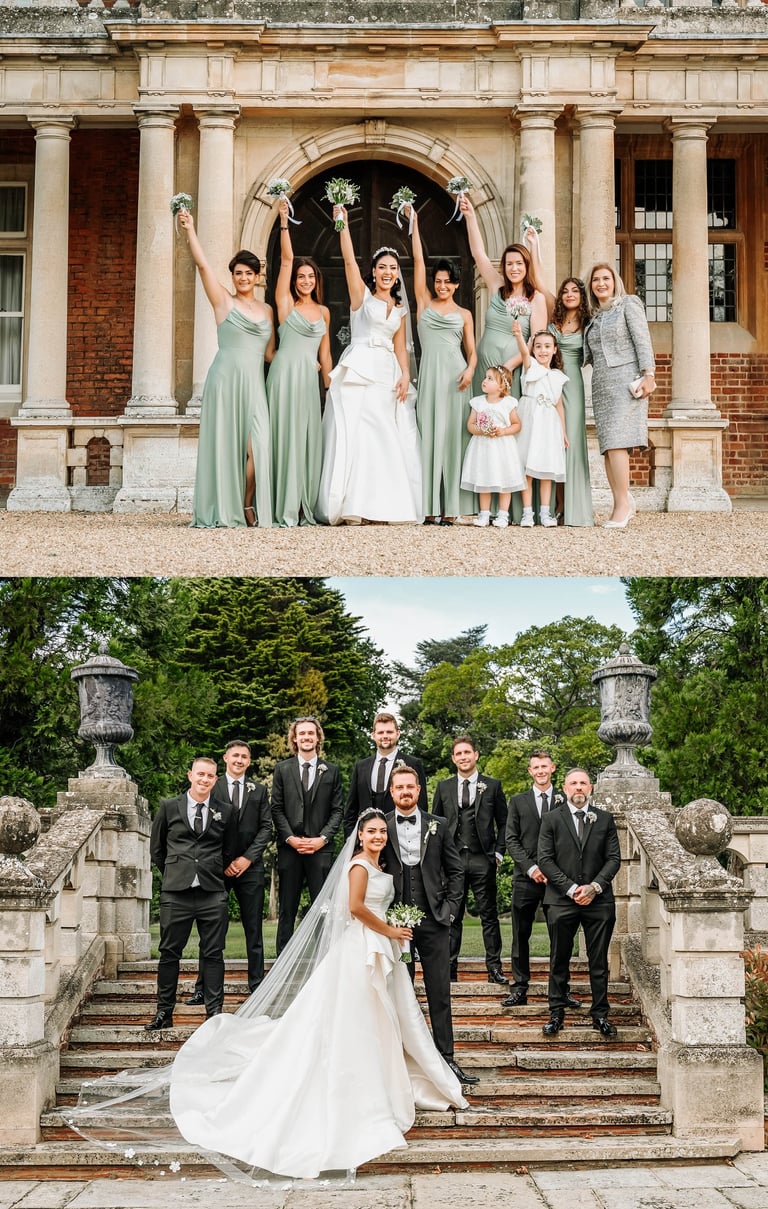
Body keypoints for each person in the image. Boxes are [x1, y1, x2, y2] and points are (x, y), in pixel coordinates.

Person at [70, 809, 468, 1179]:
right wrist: (392, 931)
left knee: (376, 1017)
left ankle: (379, 1074)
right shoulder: (360, 866)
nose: (378, 836)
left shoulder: (380, 864)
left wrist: (391, 930)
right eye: (372, 831)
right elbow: (357, 908)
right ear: (359, 836)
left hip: (375, 947)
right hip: (364, 946)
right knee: (358, 1016)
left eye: (382, 831)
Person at [315, 210, 423, 524]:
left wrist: (405, 374)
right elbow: (349, 262)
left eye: (392, 268)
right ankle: (354, 506)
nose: (388, 272)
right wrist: (343, 226)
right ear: (373, 272)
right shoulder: (361, 298)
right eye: (382, 268)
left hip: (388, 373)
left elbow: (400, 347)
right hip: (361, 368)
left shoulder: (400, 309)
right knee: (360, 434)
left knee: (387, 434)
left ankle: (386, 506)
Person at [178, 210, 274, 528]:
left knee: (259, 448)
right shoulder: (223, 301)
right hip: (225, 379)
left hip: (254, 384)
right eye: (238, 274)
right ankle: (227, 508)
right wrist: (190, 228)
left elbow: (271, 353)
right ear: (232, 276)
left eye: (249, 273)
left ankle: (246, 503)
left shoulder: (267, 310)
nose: (243, 278)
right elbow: (203, 265)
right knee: (224, 445)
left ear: (258, 277)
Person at [384, 765, 478, 1086]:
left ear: (419, 790)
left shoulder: (438, 825)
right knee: (401, 993)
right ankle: (402, 1061)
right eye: (400, 788)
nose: (405, 792)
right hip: (396, 929)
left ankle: (447, 1060)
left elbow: (456, 871)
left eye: (411, 787)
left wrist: (450, 911)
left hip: (435, 922)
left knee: (440, 993)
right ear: (392, 791)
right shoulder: (380, 826)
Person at [144, 757, 239, 1030]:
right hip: (176, 892)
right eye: (200, 774)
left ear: (215, 779)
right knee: (169, 952)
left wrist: (211, 872)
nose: (205, 779)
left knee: (213, 953)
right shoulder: (168, 806)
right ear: (190, 775)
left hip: (212, 892)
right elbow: (157, 850)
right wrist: (176, 873)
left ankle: (214, 1013)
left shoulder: (226, 811)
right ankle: (164, 1013)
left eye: (210, 776)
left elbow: (229, 849)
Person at [537, 767, 621, 1037]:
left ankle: (600, 1014)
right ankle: (556, 1012)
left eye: (583, 783)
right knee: (559, 958)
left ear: (591, 788)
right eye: (573, 783)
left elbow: (613, 859)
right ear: (565, 788)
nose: (578, 788)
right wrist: (572, 889)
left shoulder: (605, 820)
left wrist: (595, 887)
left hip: (599, 901)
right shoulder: (551, 819)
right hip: (562, 901)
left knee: (598, 961)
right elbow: (545, 860)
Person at [187, 740, 272, 1004]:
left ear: (249, 761)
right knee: (212, 931)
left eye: (244, 756)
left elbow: (266, 828)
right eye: (235, 755)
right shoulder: (212, 786)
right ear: (225, 758)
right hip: (217, 869)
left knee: (254, 930)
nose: (239, 760)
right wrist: (223, 861)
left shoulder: (259, 790)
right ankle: (203, 987)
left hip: (250, 868)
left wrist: (247, 858)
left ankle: (256, 986)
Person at [407, 205, 477, 524]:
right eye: (439, 281)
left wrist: (471, 370)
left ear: (457, 284)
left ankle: (452, 508)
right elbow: (418, 261)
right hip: (431, 380)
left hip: (456, 380)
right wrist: (415, 223)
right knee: (429, 439)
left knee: (452, 441)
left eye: (448, 282)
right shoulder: (423, 303)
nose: (442, 286)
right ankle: (429, 507)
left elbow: (472, 351)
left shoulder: (465, 315)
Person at [267, 199, 332, 527]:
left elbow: (325, 356)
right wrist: (283, 221)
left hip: (308, 379)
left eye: (310, 276)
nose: (304, 280)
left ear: (316, 280)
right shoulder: (284, 305)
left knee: (307, 438)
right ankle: (281, 505)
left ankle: (303, 503)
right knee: (283, 436)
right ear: (294, 280)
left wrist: (332, 387)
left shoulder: (323, 313)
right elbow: (286, 259)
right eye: (300, 276)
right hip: (283, 376)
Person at [523, 231, 594, 527]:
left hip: (572, 386)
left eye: (574, 292)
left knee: (569, 443)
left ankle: (571, 507)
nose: (568, 295)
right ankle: (546, 508)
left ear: (582, 296)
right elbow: (539, 280)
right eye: (565, 291)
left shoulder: (588, 323)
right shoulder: (554, 317)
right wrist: (535, 246)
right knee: (543, 440)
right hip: (545, 384)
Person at [583, 262, 656, 529]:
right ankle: (621, 501)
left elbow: (642, 340)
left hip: (626, 382)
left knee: (617, 443)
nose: (601, 283)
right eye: (595, 280)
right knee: (607, 448)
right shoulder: (594, 316)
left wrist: (649, 374)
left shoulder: (629, 304)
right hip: (601, 384)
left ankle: (623, 505)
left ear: (615, 281)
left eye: (606, 278)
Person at [503, 749, 578, 1010]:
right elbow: (510, 839)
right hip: (526, 879)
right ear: (530, 771)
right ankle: (520, 987)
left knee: (561, 937)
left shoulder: (564, 800)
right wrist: (531, 868)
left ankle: (560, 989)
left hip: (557, 881)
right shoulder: (517, 802)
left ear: (553, 768)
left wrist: (555, 872)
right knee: (520, 935)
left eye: (544, 766)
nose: (541, 771)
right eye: (536, 767)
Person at [432, 736, 508, 985]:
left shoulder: (493, 786)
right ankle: (449, 968)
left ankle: (494, 968)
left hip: (482, 858)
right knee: (452, 915)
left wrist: (498, 852)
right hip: (452, 860)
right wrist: (437, 858)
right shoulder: (444, 787)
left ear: (476, 755)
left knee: (489, 915)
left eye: (467, 752)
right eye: (459, 753)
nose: (463, 757)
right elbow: (436, 824)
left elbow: (504, 822)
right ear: (454, 758)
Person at [458, 195, 547, 398]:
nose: (514, 268)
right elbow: (478, 253)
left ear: (526, 266)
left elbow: (535, 339)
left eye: (519, 264)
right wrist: (471, 217)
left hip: (510, 368)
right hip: (484, 364)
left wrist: (508, 366)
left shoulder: (536, 298)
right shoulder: (496, 285)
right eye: (509, 264)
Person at [271, 716, 343, 954]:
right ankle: (283, 958)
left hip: (320, 849)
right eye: (302, 734)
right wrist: (291, 838)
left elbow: (337, 810)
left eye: (311, 733)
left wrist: (321, 839)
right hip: (290, 850)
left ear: (317, 737)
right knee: (287, 908)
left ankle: (322, 958)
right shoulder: (282, 769)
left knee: (323, 907)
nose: (306, 737)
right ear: (295, 738)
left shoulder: (331, 771)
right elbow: (277, 808)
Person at [513, 322, 569, 528]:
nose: (543, 350)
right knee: (526, 466)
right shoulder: (530, 366)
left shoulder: (557, 377)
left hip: (548, 423)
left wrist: (563, 431)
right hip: (529, 419)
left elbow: (559, 406)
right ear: (533, 349)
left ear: (554, 350)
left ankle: (546, 513)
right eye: (538, 346)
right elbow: (523, 353)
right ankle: (528, 513)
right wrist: (519, 336)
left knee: (546, 468)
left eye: (547, 346)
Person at [343, 711, 428, 837]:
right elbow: (351, 808)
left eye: (389, 732)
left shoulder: (413, 763)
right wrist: (351, 841)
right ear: (373, 735)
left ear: (398, 734)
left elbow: (421, 804)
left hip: (401, 836)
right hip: (367, 839)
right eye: (380, 732)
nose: (385, 736)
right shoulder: (361, 766)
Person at [461, 364, 525, 528]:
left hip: (503, 447)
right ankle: (484, 514)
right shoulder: (478, 402)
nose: (484, 381)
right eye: (485, 377)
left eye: (490, 379)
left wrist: (503, 431)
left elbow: (517, 425)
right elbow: (470, 425)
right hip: (483, 447)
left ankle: (503, 514)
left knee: (505, 480)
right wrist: (482, 430)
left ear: (502, 385)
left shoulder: (508, 403)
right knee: (484, 477)